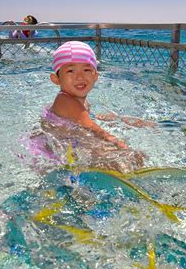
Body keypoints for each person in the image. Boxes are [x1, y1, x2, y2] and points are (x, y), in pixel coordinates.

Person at [28, 41, 153, 173]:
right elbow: (92, 128)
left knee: (100, 149)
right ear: (56, 79)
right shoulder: (64, 100)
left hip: (67, 143)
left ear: (95, 76)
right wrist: (120, 145)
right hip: (50, 155)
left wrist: (121, 120)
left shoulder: (82, 103)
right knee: (128, 157)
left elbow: (86, 119)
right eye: (70, 71)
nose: (80, 76)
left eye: (86, 70)